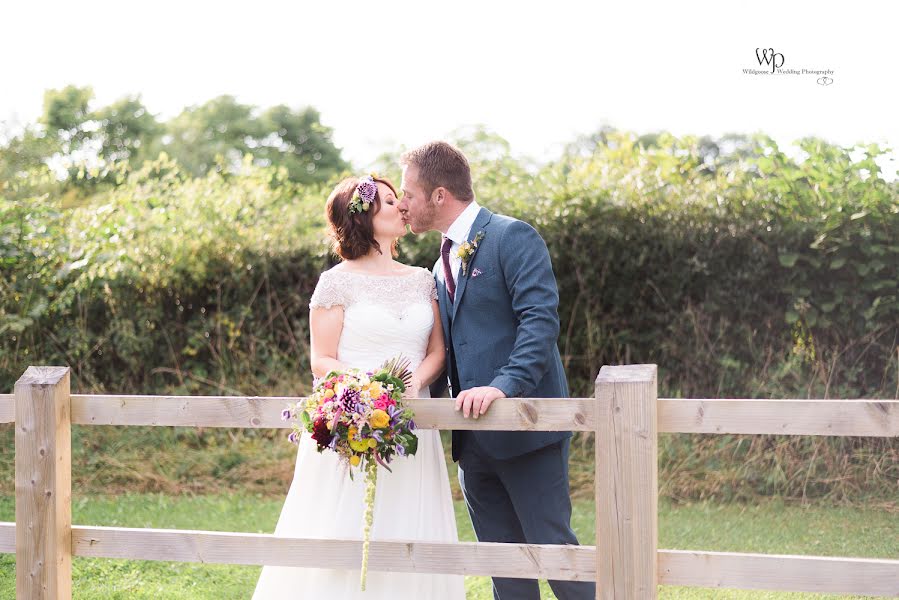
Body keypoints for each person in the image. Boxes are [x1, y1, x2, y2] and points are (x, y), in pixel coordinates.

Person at [398, 141, 595, 600]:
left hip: (526, 430)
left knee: (556, 555)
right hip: (471, 441)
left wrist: (503, 387)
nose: (403, 203)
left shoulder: (512, 236)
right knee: (503, 568)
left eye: (408, 193)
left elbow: (539, 322)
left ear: (439, 195)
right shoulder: (438, 261)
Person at [251, 175, 465, 599]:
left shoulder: (423, 278)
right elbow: (322, 359)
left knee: (410, 523)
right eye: (389, 201)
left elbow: (438, 351)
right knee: (341, 526)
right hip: (353, 417)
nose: (401, 206)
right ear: (364, 218)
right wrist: (368, 392)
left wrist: (412, 386)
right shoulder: (337, 282)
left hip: (412, 420)